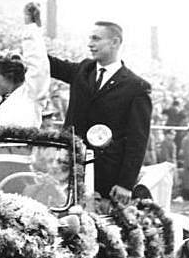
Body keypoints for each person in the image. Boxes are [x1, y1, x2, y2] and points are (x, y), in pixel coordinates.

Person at [47, 19, 152, 204]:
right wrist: (31, 31)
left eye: (96, 39)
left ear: (115, 42)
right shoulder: (82, 70)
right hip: (70, 169)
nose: (90, 44)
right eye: (90, 39)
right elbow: (47, 64)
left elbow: (138, 140)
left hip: (106, 179)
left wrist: (125, 183)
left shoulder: (136, 87)